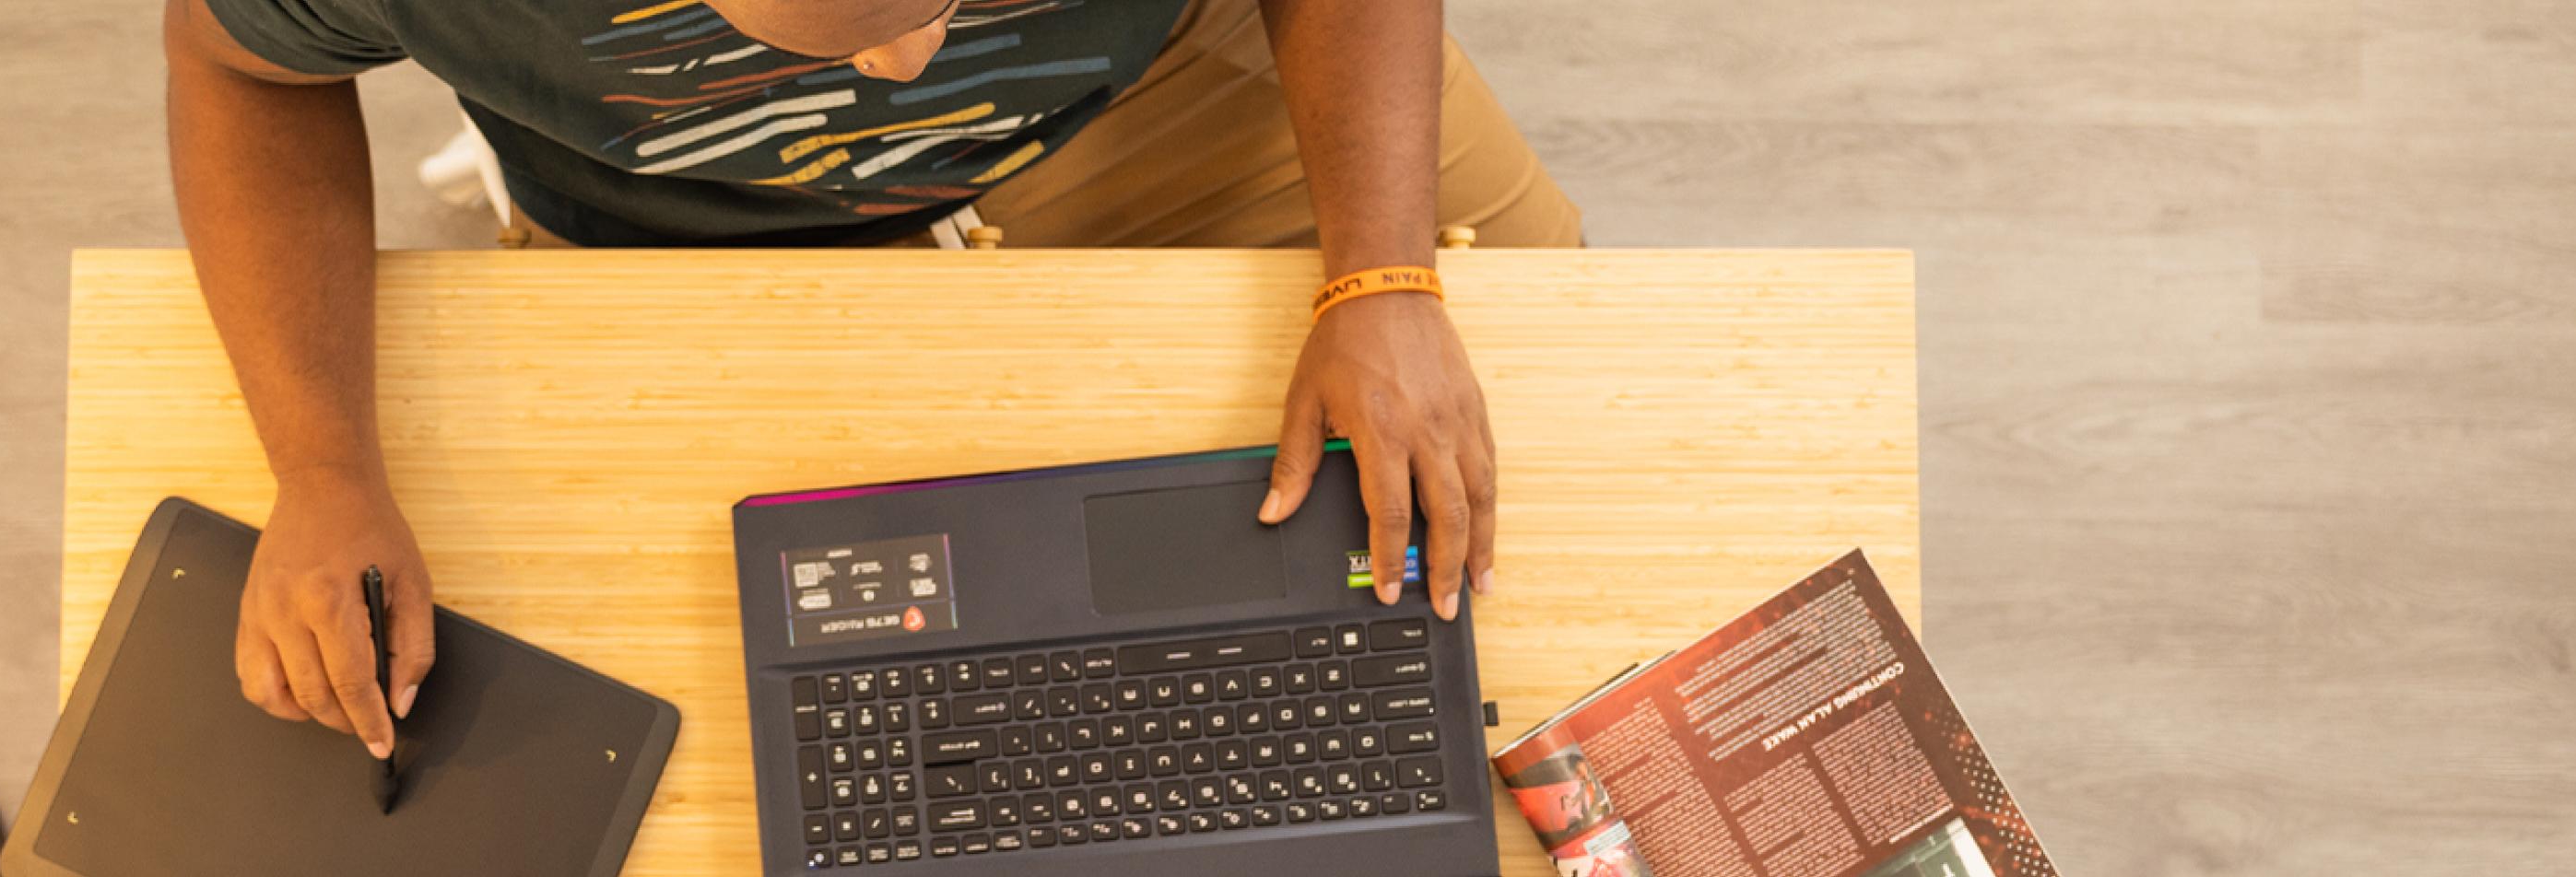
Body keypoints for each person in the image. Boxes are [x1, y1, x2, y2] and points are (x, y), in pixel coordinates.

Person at [162, 0, 1582, 761]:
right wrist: (324, 468)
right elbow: (239, 71)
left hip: (1158, 103)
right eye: (852, 21)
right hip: (671, 216)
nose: (913, 55)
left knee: (1565, 368)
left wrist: (1382, 275)